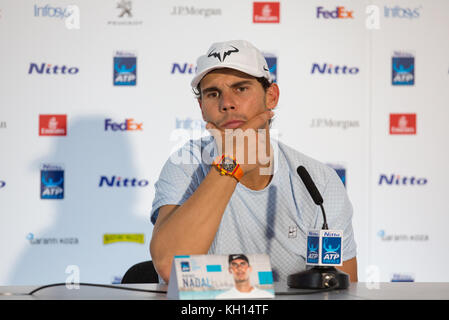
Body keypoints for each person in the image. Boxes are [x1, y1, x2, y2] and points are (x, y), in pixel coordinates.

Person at [149, 40, 358, 284]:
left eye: (241, 89)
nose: (226, 103)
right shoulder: (186, 165)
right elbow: (168, 266)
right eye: (213, 93)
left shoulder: (318, 182)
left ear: (271, 96)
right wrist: (231, 164)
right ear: (201, 107)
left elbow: (341, 290)